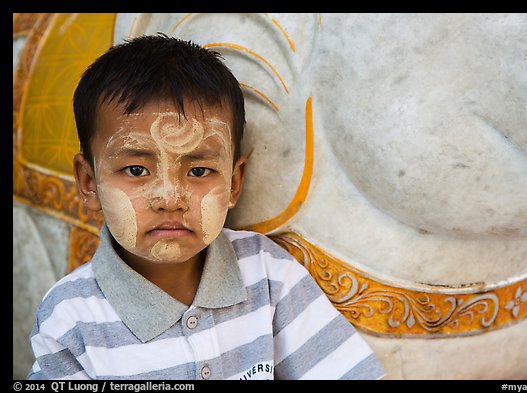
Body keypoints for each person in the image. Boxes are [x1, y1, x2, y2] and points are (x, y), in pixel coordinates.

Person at [27, 34, 386, 380]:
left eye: (199, 170)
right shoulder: (70, 318)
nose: (170, 199)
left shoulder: (268, 274)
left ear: (233, 182)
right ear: (89, 183)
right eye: (136, 170)